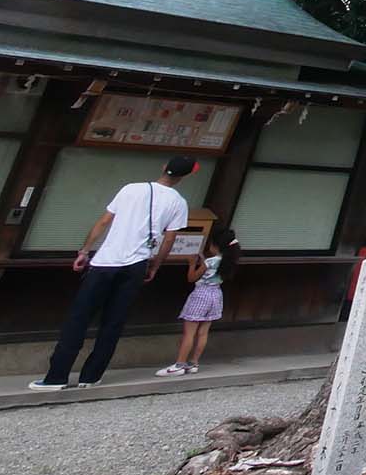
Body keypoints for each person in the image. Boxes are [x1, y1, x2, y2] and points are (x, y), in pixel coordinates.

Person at [28, 154, 196, 391]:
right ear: (186, 176)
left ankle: (57, 376)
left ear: (164, 166)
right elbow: (170, 238)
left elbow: (104, 221)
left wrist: (85, 251)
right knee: (113, 322)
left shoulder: (130, 189)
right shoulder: (178, 202)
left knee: (79, 319)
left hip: (106, 261)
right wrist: (156, 265)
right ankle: (91, 376)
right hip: (137, 264)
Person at [156, 220, 238, 377]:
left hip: (201, 295)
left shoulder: (210, 261)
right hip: (216, 295)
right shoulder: (228, 262)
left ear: (216, 245)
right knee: (203, 332)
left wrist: (192, 264)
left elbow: (192, 278)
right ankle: (193, 363)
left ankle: (179, 365)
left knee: (189, 332)